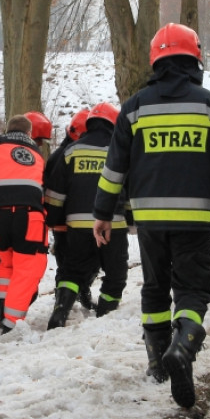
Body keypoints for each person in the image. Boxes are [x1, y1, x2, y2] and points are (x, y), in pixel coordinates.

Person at [91, 24, 210, 409]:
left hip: (148, 219)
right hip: (195, 217)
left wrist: (102, 213)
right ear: (194, 57)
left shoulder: (133, 108)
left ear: (156, 60)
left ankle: (157, 364)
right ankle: (182, 348)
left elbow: (113, 169)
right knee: (192, 289)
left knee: (153, 286)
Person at [45, 102, 128, 328]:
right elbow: (131, 189)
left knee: (71, 270)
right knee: (115, 273)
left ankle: (60, 311)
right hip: (113, 224)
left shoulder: (71, 151)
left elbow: (55, 193)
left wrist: (53, 219)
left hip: (77, 225)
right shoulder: (121, 151)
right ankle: (105, 313)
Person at [0, 114, 49, 331]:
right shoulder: (37, 152)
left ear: (7, 130)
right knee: (28, 267)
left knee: (5, 263)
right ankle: (10, 322)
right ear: (29, 134)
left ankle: (0, 309)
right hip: (29, 216)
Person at [44, 108, 93, 311]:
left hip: (72, 219)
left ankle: (80, 292)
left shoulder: (63, 154)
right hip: (65, 220)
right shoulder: (61, 156)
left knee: (79, 262)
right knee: (68, 263)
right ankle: (64, 299)